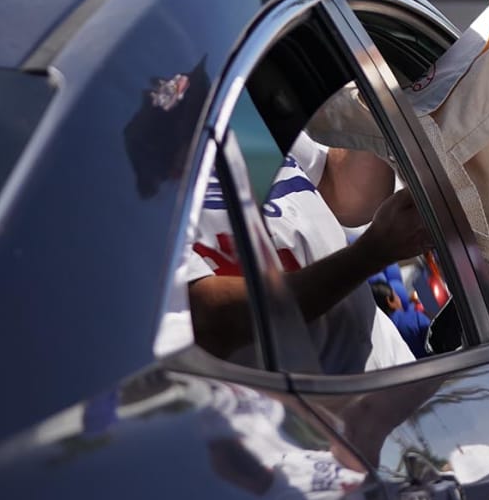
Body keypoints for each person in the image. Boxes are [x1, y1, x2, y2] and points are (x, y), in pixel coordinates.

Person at [175, 123, 429, 375]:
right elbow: (213, 320)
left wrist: (367, 110)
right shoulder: (141, 208)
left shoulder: (232, 116)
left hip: (394, 374)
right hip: (302, 406)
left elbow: (349, 198)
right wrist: (371, 254)